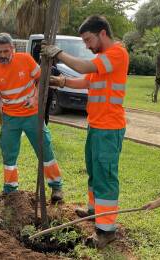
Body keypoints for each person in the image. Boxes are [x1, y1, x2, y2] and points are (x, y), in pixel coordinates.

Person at [42, 15, 129, 248]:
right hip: (97, 125)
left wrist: (57, 53)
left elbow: (82, 66)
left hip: (109, 128)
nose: (87, 46)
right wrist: (56, 81)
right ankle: (94, 211)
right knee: (94, 171)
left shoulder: (117, 54)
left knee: (105, 176)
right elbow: (85, 82)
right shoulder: (102, 58)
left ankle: (106, 229)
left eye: (88, 40)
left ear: (102, 33)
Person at [0, 33, 64, 202]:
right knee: (8, 153)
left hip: (32, 115)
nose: (2, 55)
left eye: (5, 51)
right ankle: (10, 189)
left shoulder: (26, 59)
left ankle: (56, 187)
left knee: (44, 148)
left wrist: (35, 97)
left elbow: (41, 80)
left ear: (13, 49)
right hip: (10, 118)